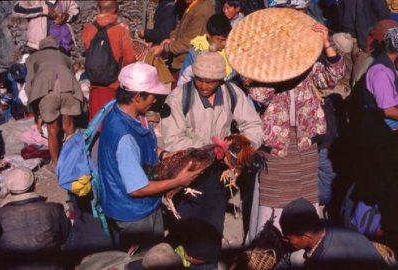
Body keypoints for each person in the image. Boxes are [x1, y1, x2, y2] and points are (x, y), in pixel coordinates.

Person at [161, 50, 264, 268]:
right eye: (200, 79)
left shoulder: (232, 93)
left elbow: (253, 125)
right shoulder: (179, 97)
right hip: (187, 174)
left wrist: (240, 147)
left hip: (218, 174)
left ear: (220, 80)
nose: (204, 85)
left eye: (210, 82)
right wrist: (212, 147)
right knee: (186, 225)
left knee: (213, 225)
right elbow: (172, 141)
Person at [246, 21, 345, 239]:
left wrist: (327, 42)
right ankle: (270, 242)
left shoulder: (309, 68)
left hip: (304, 142)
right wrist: (275, 72)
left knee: (304, 193)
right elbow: (259, 95)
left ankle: (303, 239)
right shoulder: (266, 72)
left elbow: (333, 76)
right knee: (273, 194)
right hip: (276, 143)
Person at [98, 62, 203, 251]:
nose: (155, 100)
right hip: (133, 212)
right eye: (152, 95)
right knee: (143, 259)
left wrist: (164, 154)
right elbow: (136, 189)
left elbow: (143, 148)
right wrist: (178, 181)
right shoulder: (125, 137)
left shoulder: (127, 113)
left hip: (138, 205)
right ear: (138, 96)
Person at [351, 27, 398, 253]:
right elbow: (388, 110)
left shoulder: (385, 67)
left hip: (380, 138)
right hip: (379, 140)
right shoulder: (381, 71)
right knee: (381, 190)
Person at [274, 198, 388, 270]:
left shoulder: (325, 260)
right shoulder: (324, 226)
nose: (285, 241)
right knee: (295, 257)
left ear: (306, 237)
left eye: (289, 238)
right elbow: (287, 258)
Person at [25, 36, 83, 171]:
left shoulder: (33, 58)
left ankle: (55, 164)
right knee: (68, 126)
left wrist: (33, 108)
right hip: (69, 88)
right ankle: (71, 161)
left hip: (47, 91)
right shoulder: (65, 57)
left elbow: (30, 83)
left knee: (52, 129)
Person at [0, 167, 70, 269]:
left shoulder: (0, 215)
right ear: (35, 186)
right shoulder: (54, 208)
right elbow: (65, 238)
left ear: (9, 190)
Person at [82, 0, 136, 120]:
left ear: (98, 8)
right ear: (115, 10)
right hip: (113, 87)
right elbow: (130, 60)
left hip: (94, 85)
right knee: (110, 121)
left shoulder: (87, 30)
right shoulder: (121, 31)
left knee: (95, 121)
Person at [152, 0, 215, 73]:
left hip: (189, 65)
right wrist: (173, 38)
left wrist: (164, 47)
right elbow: (182, 25)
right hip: (183, 61)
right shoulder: (194, 5)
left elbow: (189, 42)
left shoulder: (201, 11)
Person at [178, 13, 233, 86]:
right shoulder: (195, 54)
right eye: (220, 40)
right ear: (208, 36)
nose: (224, 44)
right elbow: (184, 82)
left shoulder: (231, 53)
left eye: (226, 39)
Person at [12, 0, 79, 54]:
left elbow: (74, 8)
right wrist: (42, 9)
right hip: (40, 46)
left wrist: (67, 16)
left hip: (64, 45)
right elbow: (17, 9)